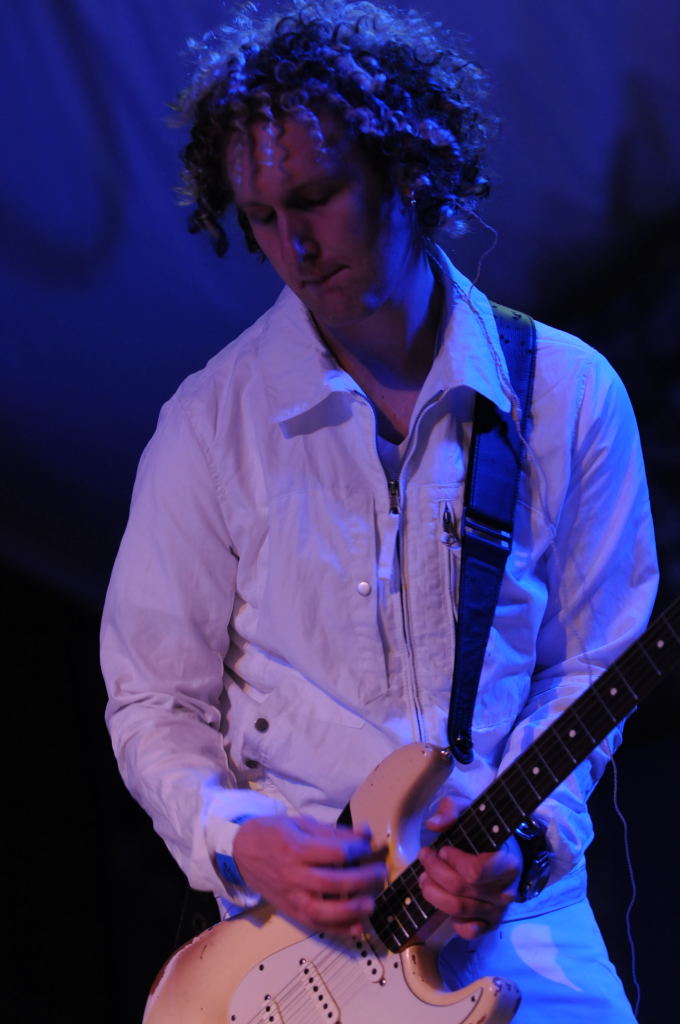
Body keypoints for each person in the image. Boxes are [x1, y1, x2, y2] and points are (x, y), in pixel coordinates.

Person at [101, 2, 658, 1020]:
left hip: (520, 926)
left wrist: (526, 838)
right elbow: (152, 702)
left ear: (406, 169)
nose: (292, 245)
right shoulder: (209, 426)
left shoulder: (570, 395)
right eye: (259, 217)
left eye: (315, 198)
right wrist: (240, 839)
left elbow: (593, 661)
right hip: (291, 957)